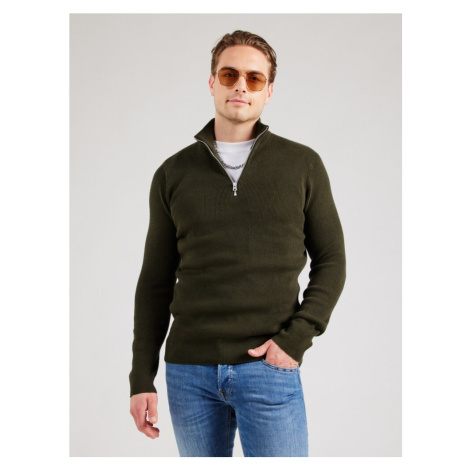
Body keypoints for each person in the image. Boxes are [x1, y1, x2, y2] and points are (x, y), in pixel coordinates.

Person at [129, 30, 346, 457]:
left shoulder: (302, 165)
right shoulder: (173, 174)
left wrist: (296, 339)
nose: (241, 86)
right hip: (188, 373)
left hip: (268, 367)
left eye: (254, 78)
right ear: (212, 82)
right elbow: (154, 281)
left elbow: (332, 260)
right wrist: (141, 378)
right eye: (229, 75)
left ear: (269, 90)